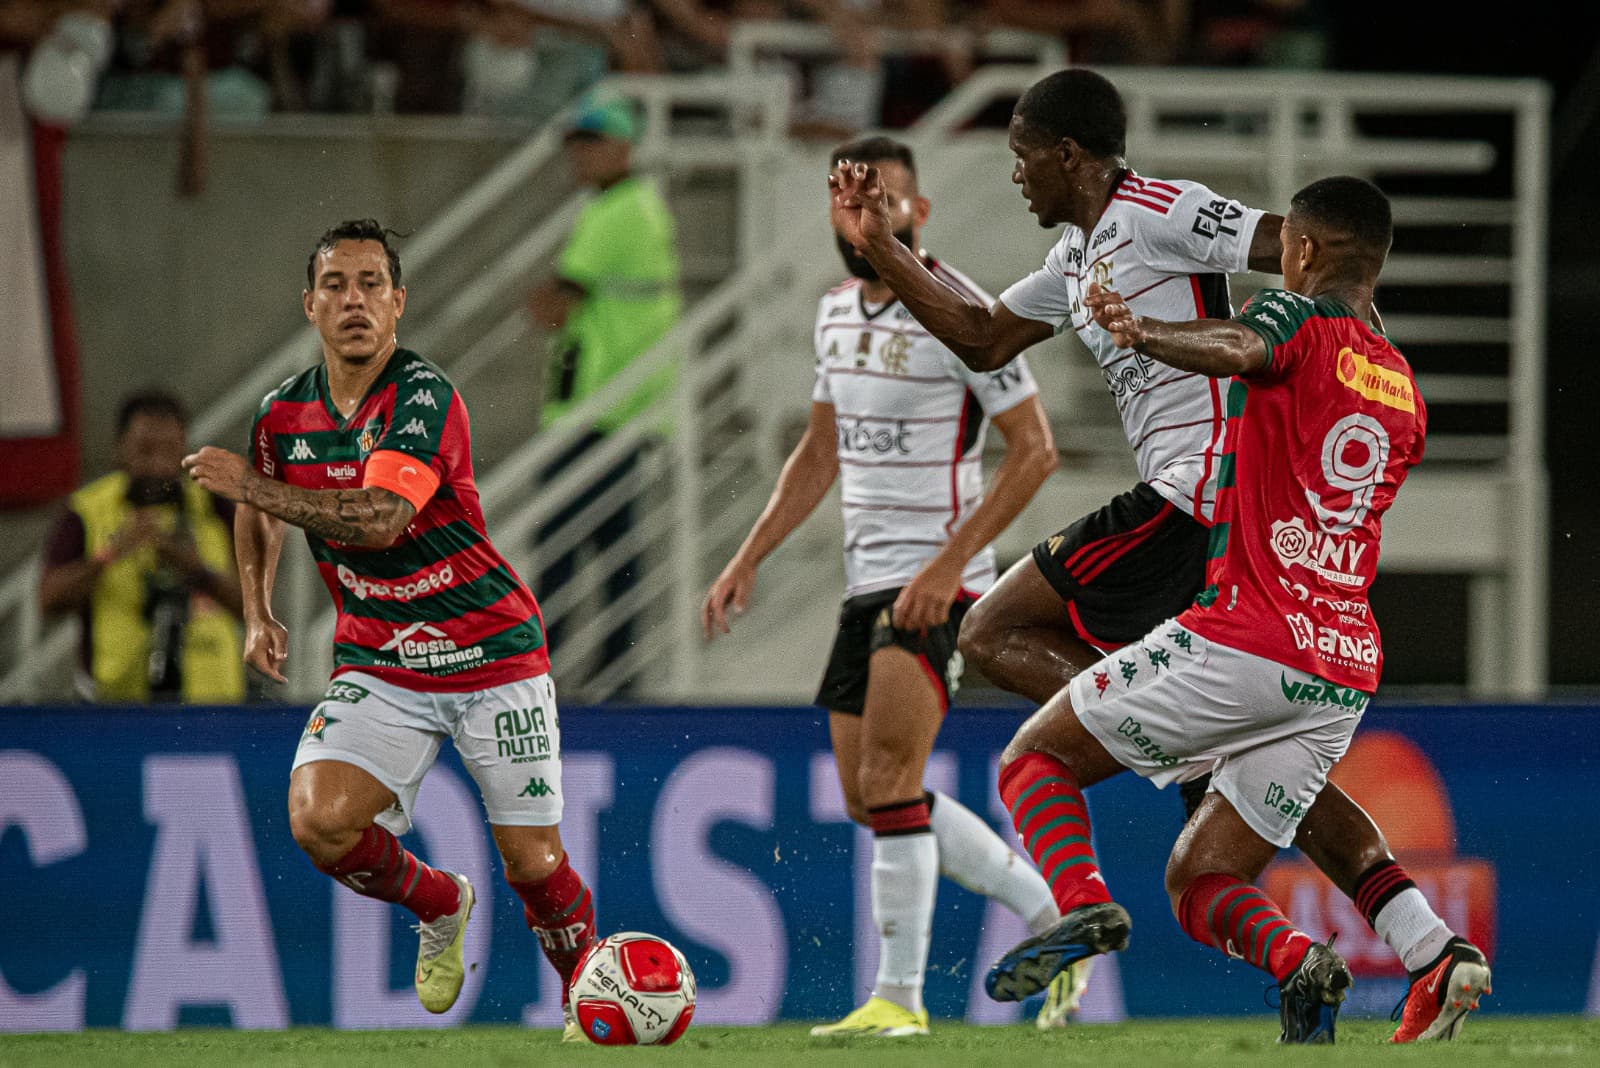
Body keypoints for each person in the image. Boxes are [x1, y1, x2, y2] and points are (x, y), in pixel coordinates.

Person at [828, 68, 1487, 1043]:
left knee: (998, 628)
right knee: (1222, 797)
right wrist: (885, 248)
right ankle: (1425, 944)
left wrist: (1325, 342)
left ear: (1068, 156)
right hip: (1276, 587)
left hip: (1197, 495)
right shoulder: (1072, 256)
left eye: (1020, 155)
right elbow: (979, 333)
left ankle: (1094, 859)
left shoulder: (1160, 209)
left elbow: (1292, 250)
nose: (1013, 176)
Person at [974, 176, 1476, 1044]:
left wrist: (1145, 330)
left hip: (1247, 634)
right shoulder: (1402, 387)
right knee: (1201, 879)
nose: (1282, 258)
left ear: (1307, 252)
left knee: (1034, 761)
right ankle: (1378, 955)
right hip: (1342, 662)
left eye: (1289, 248)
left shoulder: (1296, 320)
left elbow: (1244, 346)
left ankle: (1084, 909)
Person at [182, 219, 596, 1040]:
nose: (355, 301)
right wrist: (259, 607)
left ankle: (588, 1004)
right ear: (310, 305)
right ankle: (439, 902)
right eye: (336, 285)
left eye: (372, 284)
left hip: (491, 653)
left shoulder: (423, 395)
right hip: (383, 661)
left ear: (399, 303)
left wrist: (253, 490)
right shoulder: (281, 414)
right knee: (318, 820)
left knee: (533, 863)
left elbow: (378, 520)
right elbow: (261, 519)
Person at [703, 136, 1074, 1037]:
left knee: (888, 776)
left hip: (936, 582)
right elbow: (820, 448)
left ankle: (899, 1002)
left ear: (919, 213)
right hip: (866, 584)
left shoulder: (963, 314)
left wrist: (948, 566)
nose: (864, 218)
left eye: (883, 203)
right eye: (848, 203)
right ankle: (1050, 914)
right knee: (870, 796)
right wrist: (750, 551)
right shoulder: (833, 313)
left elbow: (1035, 451)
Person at [528, 94, 680, 694]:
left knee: (562, 544)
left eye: (592, 142)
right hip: (619, 405)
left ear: (623, 147)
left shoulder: (617, 210)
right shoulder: (635, 204)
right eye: (576, 143)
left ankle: (550, 668)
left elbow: (553, 305)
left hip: (603, 406)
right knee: (608, 540)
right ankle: (619, 672)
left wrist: (544, 303)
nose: (580, 155)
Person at [40, 390, 246, 703]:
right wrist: (110, 554)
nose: (158, 466)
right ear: (119, 450)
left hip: (210, 708)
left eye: (170, 451)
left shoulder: (215, 507)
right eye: (144, 451)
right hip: (115, 708)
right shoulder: (86, 511)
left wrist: (196, 570)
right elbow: (49, 601)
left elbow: (258, 610)